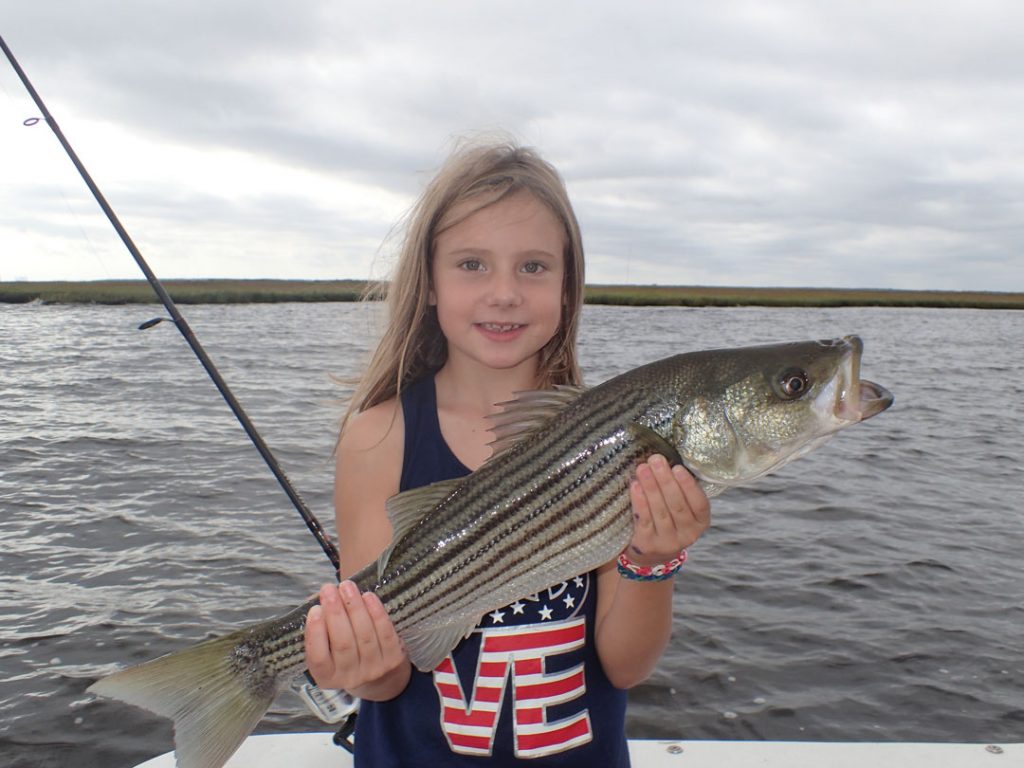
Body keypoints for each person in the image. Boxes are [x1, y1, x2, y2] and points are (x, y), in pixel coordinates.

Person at [304, 139, 711, 766]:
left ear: (568, 286)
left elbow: (625, 666)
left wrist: (652, 560)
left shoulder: (608, 441)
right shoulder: (378, 434)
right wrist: (360, 663)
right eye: (471, 264)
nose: (504, 293)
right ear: (430, 283)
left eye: (533, 267)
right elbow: (382, 681)